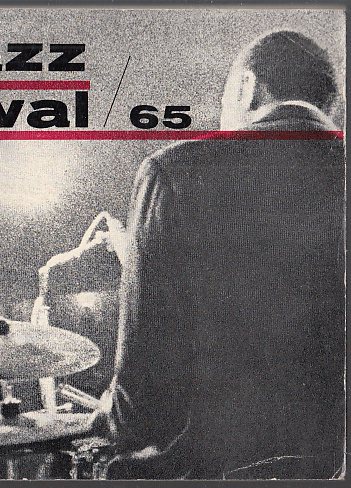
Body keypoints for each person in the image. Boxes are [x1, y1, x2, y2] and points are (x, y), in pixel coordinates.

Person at [89, 31, 345, 479]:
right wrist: (142, 258)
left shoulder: (175, 171)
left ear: (247, 87)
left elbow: (145, 390)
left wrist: (113, 428)